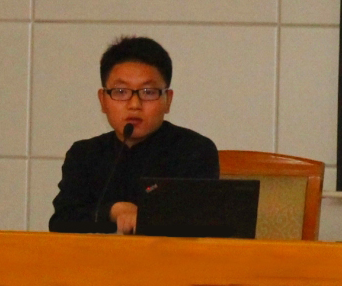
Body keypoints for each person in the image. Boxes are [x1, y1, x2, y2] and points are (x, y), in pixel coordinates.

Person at [48, 36, 219, 234]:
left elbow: (200, 223)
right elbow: (61, 222)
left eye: (148, 92)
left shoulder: (193, 150)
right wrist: (113, 211)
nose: (134, 105)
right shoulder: (85, 154)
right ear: (103, 100)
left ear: (168, 100)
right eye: (121, 92)